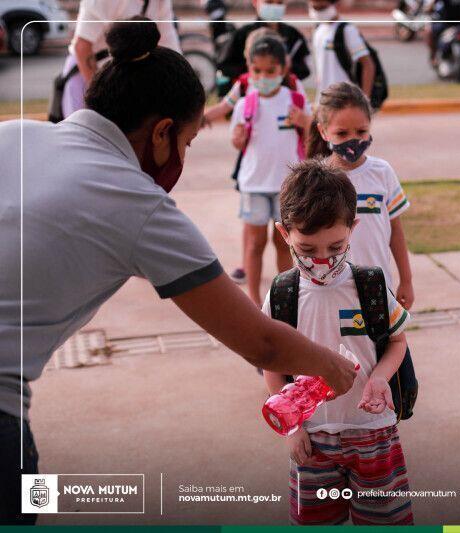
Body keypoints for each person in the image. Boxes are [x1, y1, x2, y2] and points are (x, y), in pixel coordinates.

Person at [0, 19, 356, 525]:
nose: (181, 158)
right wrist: (330, 365)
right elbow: (262, 343)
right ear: (163, 132)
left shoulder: (13, 133)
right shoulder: (139, 205)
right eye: (186, 144)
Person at [263, 158, 414, 525]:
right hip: (312, 440)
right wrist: (293, 427)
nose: (322, 261)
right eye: (307, 249)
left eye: (335, 247)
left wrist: (379, 378)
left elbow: (397, 342)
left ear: (353, 228)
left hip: (373, 432)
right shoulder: (283, 294)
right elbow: (272, 364)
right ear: (284, 233)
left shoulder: (371, 286)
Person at [306, 82, 414, 309]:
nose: (353, 140)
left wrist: (407, 280)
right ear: (323, 131)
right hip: (332, 290)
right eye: (342, 133)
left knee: (385, 343)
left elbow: (396, 231)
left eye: (361, 131)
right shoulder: (317, 179)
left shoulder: (382, 172)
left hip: (379, 289)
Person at [229, 36, 311, 305]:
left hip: (287, 187)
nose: (263, 77)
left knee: (283, 244)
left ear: (283, 69)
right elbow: (237, 142)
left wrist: (304, 122)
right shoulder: (245, 105)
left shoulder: (295, 100)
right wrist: (238, 138)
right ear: (249, 70)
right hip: (254, 185)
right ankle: (253, 301)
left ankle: (285, 298)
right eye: (257, 71)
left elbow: (311, 138)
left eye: (270, 71)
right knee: (254, 245)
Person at [61, 0, 181, 119]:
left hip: (122, 81)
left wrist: (190, 102)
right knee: (85, 134)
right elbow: (82, 47)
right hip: (87, 77)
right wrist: (99, 98)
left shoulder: (160, 2)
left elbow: (169, 46)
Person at [214, 0, 311, 98]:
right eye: (269, 2)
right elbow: (224, 66)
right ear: (255, 2)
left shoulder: (294, 36)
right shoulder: (242, 35)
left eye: (279, 3)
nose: (274, 6)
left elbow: (304, 70)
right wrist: (252, 73)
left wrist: (287, 69)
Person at [308, 0, 375, 103]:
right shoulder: (318, 30)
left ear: (336, 5)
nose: (318, 11)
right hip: (324, 99)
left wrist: (365, 100)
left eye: (322, 8)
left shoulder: (347, 30)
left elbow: (368, 65)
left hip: (344, 99)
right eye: (315, 8)